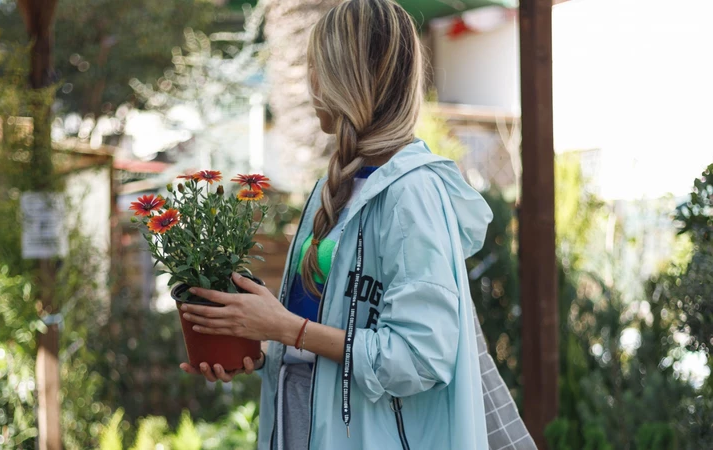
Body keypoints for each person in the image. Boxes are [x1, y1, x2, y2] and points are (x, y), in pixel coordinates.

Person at [180, 1, 536, 448]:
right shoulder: (335, 187)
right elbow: (329, 342)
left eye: (318, 66)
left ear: (350, 78)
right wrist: (261, 350)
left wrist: (285, 328)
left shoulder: (412, 195)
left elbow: (420, 357)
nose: (309, 82)